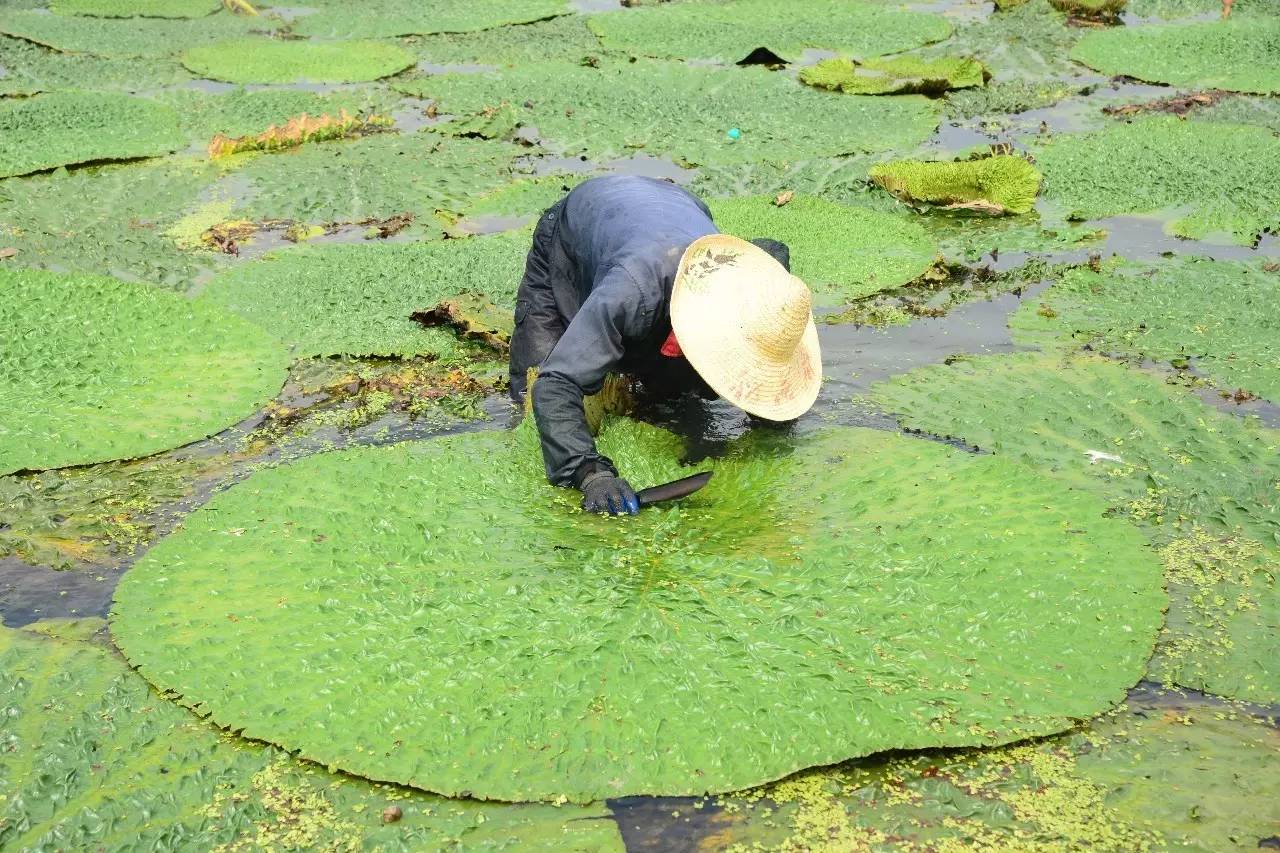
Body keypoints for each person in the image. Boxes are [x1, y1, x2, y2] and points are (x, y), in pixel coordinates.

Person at [509, 175, 822, 515]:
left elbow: (774, 250)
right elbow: (556, 384)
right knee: (534, 392)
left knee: (672, 389)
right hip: (580, 224)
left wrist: (770, 415)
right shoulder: (631, 292)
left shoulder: (759, 284)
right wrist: (590, 473)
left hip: (676, 205)